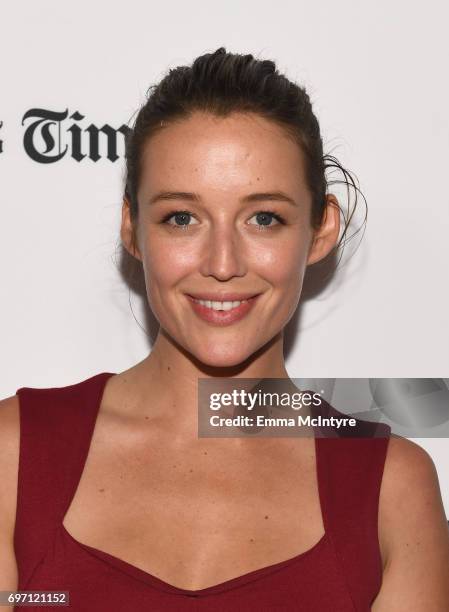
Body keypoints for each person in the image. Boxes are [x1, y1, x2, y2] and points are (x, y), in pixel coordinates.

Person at [1, 47, 448, 611]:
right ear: (133, 228)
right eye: (181, 218)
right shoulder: (13, 454)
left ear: (320, 230)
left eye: (264, 218)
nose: (222, 262)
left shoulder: (390, 487)